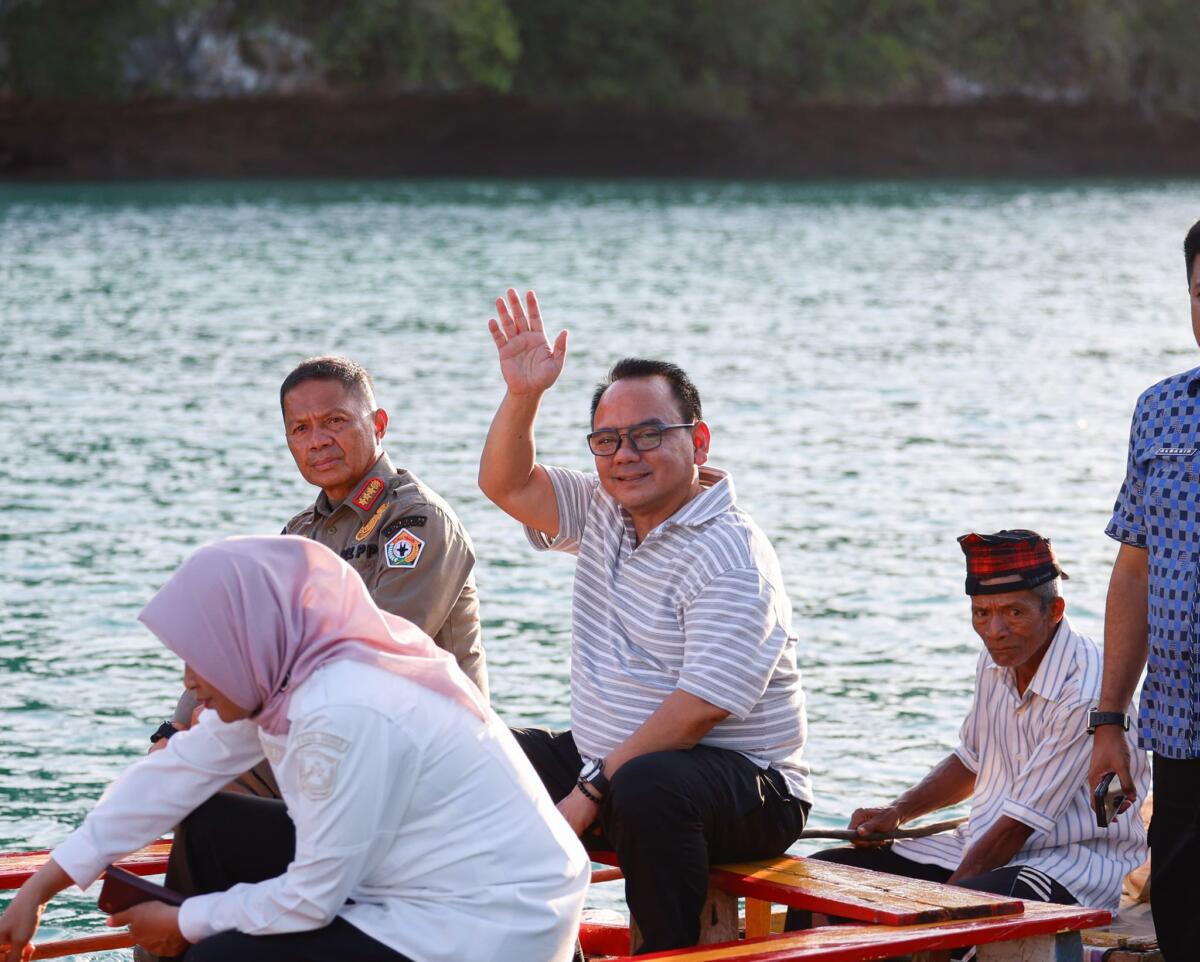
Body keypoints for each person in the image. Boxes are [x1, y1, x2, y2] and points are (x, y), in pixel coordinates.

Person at [0, 537, 588, 962]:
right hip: (410, 884)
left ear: (245, 642)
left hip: (486, 927)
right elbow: (172, 774)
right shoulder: (286, 675)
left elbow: (311, 898)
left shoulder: (344, 709)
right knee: (209, 823)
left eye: (200, 655)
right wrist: (40, 888)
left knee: (221, 957)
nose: (189, 681)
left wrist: (185, 922)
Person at [478, 289, 811, 954]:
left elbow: (697, 710)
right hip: (614, 765)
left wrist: (590, 790)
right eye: (608, 440)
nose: (625, 454)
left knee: (648, 786)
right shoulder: (604, 508)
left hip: (748, 787)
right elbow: (506, 485)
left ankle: (665, 951)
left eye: (648, 434)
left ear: (698, 440)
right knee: (480, 753)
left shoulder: (731, 553)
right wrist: (524, 394)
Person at [157, 354, 487, 787]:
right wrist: (175, 728)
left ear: (379, 424)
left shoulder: (416, 520)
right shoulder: (299, 534)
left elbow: (378, 658)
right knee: (174, 763)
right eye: (301, 428)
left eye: (335, 421)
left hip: (425, 748)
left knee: (205, 768)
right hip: (332, 738)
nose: (317, 441)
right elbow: (240, 643)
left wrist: (238, 715)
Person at [791, 531, 1148, 924]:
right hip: (979, 845)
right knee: (821, 879)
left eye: (1014, 613)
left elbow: (1017, 828)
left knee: (948, 918)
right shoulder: (997, 659)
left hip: (1066, 866)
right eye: (981, 614)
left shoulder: (1084, 692)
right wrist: (898, 811)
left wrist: (938, 906)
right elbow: (971, 760)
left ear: (1055, 610)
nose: (995, 630)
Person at [1089, 217, 1200, 961]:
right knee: (1183, 923)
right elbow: (1135, 571)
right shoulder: (1160, 409)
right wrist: (1109, 722)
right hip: (1180, 729)